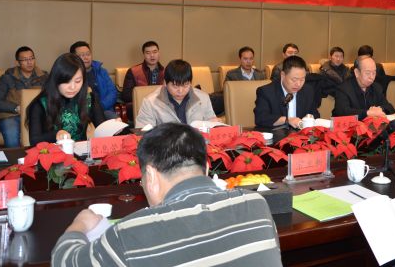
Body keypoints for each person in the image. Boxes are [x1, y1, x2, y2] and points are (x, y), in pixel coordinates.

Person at [51, 122, 283, 266]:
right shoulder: (257, 205)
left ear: (151, 176)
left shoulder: (131, 232)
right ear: (206, 168)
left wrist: (80, 225)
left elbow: (63, 261)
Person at [26, 53, 106, 145]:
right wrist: (56, 134)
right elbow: (34, 140)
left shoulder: (90, 99)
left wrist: (114, 127)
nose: (72, 87)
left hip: (80, 151)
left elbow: (103, 129)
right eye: (67, 81)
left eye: (78, 81)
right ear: (56, 80)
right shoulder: (40, 104)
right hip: (52, 152)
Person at [0, 46, 47, 147]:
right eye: (25, 60)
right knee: (11, 133)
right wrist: (16, 108)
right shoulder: (7, 78)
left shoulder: (44, 77)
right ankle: (15, 157)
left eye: (31, 58)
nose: (29, 62)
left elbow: (51, 97)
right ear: (17, 62)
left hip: (36, 116)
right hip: (11, 116)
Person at [136, 59, 217, 127]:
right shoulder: (150, 102)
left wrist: (215, 124)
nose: (180, 91)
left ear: (190, 83)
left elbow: (211, 126)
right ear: (165, 83)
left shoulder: (203, 98)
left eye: (185, 85)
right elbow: (143, 133)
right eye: (175, 86)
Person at [254, 55, 319, 128]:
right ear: (283, 75)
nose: (298, 84)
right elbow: (261, 118)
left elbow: (315, 115)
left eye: (302, 79)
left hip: (301, 133)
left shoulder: (308, 90)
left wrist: (308, 119)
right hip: (276, 133)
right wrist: (287, 120)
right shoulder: (266, 92)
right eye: (294, 80)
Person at [333, 55, 395, 120]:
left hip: (371, 125)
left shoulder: (376, 87)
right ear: (357, 72)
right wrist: (367, 113)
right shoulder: (343, 89)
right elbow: (343, 112)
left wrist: (380, 109)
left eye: (374, 73)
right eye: (368, 73)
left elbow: (390, 108)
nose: (371, 77)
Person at [69, 41, 118, 114]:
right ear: (74, 58)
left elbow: (112, 92)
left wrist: (100, 107)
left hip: (104, 110)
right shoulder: (69, 74)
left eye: (88, 54)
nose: (86, 57)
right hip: (81, 113)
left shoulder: (102, 71)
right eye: (82, 55)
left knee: (116, 120)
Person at [121, 41, 165, 105]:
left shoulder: (166, 71)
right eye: (148, 53)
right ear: (143, 55)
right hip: (140, 105)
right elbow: (126, 96)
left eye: (155, 52)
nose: (152, 55)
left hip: (160, 106)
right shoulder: (133, 71)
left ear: (159, 53)